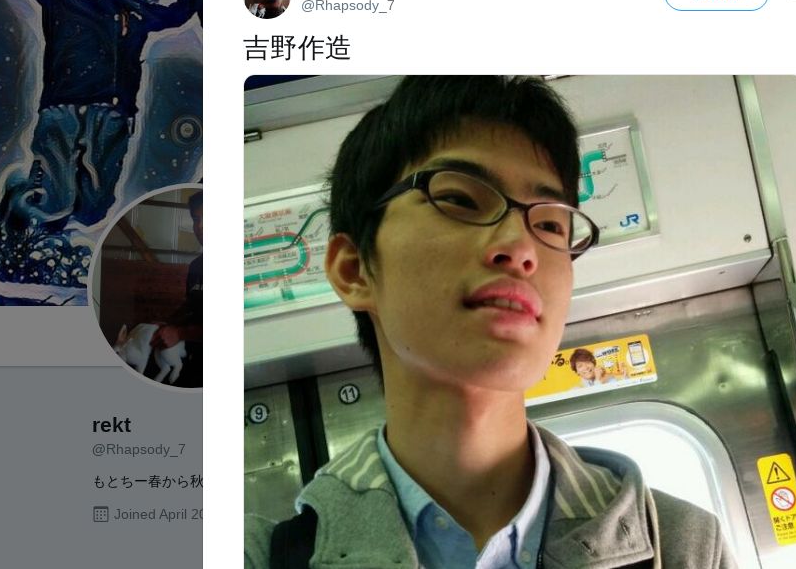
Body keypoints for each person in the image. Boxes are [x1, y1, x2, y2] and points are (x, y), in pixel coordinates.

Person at [245, 76, 736, 568]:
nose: (521, 247)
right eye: (460, 199)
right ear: (354, 270)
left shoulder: (687, 547)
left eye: (549, 224)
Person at [1, 0, 202, 231]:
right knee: (54, 197)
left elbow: (175, 14)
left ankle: (60, 221)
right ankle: (28, 211)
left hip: (112, 114)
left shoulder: (135, 7)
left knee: (94, 210)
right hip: (63, 107)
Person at [153, 190, 203, 388]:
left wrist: (180, 333)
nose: (200, 227)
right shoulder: (196, 266)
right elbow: (191, 305)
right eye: (196, 219)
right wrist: (167, 324)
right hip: (192, 355)